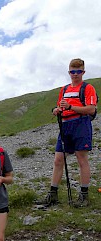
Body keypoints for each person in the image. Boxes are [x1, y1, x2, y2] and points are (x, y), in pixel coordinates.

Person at [40, 58, 97, 208]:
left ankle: (83, 195)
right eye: (73, 71)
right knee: (58, 159)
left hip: (81, 124)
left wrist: (71, 107)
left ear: (83, 72)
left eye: (78, 71)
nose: (75, 74)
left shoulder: (88, 88)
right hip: (65, 125)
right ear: (69, 72)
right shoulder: (64, 89)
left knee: (81, 159)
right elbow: (61, 107)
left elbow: (91, 109)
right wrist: (56, 110)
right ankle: (53, 194)